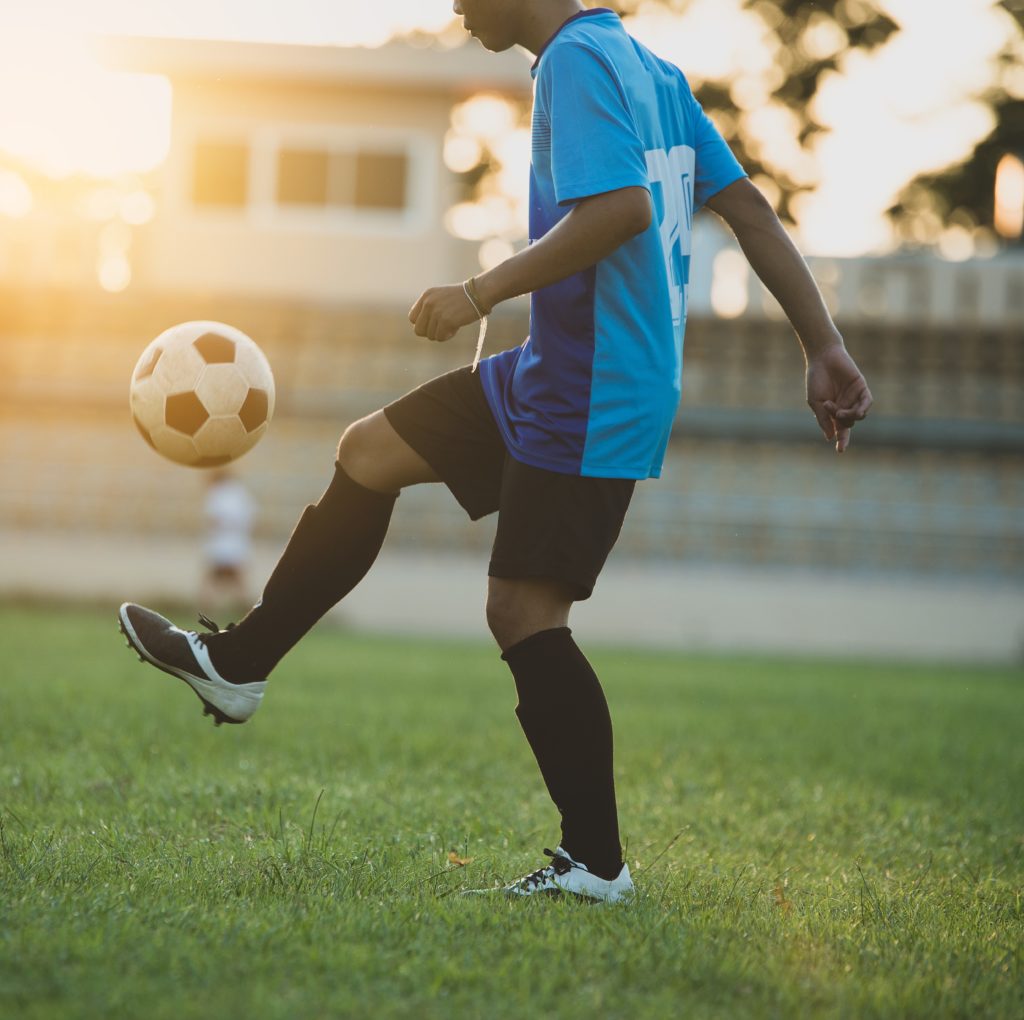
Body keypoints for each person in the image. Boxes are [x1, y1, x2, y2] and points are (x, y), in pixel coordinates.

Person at [117, 0, 872, 904]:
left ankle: (596, 865)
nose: (456, 6)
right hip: (551, 368)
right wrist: (821, 343)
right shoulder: (648, 68)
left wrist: (479, 292)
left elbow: (623, 211)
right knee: (369, 453)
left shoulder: (576, 62)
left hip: (596, 383)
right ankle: (239, 666)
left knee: (522, 612)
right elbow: (747, 209)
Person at [199, 469, 255, 617]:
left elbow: (213, 519)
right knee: (239, 583)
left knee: (210, 580)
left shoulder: (217, 493)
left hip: (220, 543)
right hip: (238, 543)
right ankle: (250, 614)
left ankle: (205, 613)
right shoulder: (241, 493)